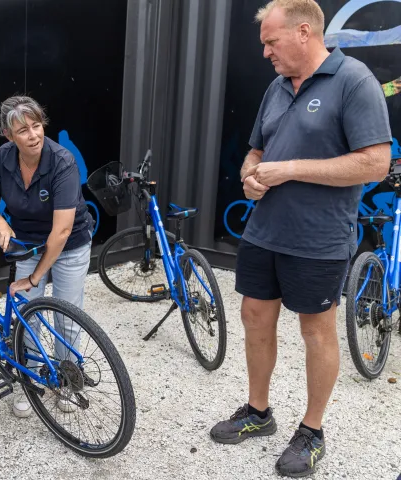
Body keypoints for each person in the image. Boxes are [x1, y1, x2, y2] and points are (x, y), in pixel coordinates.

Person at [209, 1, 391, 477]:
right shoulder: (276, 86)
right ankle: (258, 412)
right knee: (253, 316)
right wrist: (251, 174)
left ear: (305, 32)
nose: (265, 52)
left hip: (319, 237)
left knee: (315, 331)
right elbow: (256, 149)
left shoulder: (354, 81)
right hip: (264, 230)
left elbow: (374, 162)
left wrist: (289, 170)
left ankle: (312, 431)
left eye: (272, 41)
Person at [0, 95, 95, 418]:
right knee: (29, 314)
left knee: (66, 316)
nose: (33, 135)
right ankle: (30, 381)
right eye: (23, 130)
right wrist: (0, 221)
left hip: (69, 244)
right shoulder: (2, 158)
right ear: (9, 136)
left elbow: (60, 233)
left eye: (37, 125)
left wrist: (33, 278)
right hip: (29, 243)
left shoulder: (62, 161)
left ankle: (68, 381)